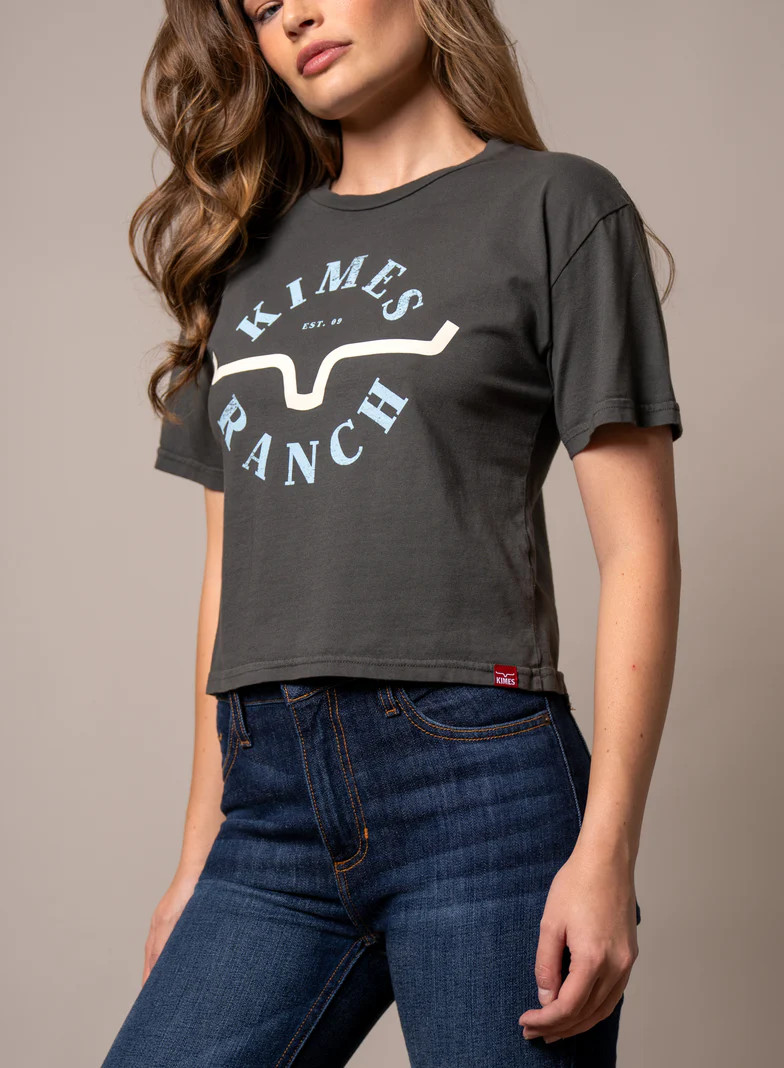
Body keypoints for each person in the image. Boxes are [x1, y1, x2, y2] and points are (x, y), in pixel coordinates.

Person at [102, 0, 683, 1064]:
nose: (294, 17)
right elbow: (230, 573)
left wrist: (606, 850)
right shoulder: (239, 255)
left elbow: (637, 550)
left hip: (481, 789)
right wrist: (197, 854)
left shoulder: (555, 206)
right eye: (261, 9)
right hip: (270, 805)